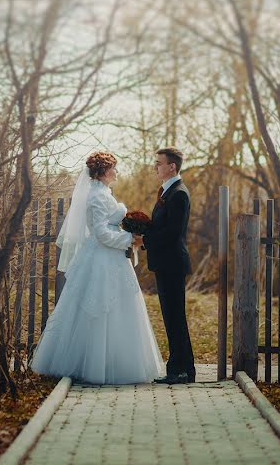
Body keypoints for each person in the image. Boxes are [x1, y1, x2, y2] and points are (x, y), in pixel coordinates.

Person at [30, 152, 164, 384]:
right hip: (101, 259)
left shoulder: (102, 193)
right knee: (100, 307)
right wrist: (129, 239)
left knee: (115, 308)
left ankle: (112, 360)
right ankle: (95, 364)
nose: (116, 172)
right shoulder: (96, 197)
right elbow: (101, 233)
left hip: (109, 257)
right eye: (113, 168)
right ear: (102, 172)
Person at [143, 147, 195, 384]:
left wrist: (144, 240)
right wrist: (141, 229)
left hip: (173, 263)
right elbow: (161, 226)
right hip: (165, 263)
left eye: (159, 163)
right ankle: (182, 369)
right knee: (171, 317)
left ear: (172, 166)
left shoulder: (179, 194)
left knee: (175, 317)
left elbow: (173, 232)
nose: (156, 166)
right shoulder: (168, 191)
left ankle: (181, 371)